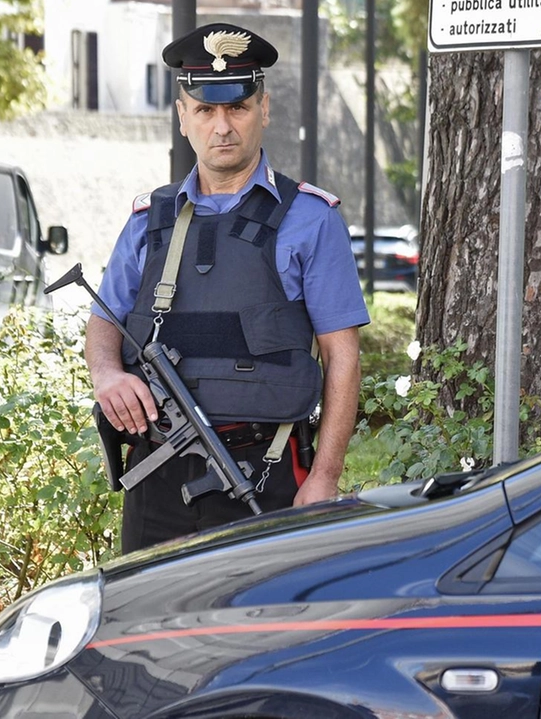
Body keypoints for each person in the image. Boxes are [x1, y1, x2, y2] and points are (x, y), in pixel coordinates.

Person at [84, 23, 369, 553]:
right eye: (205, 110)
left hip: (264, 470)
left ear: (264, 109)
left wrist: (325, 475)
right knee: (145, 631)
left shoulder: (311, 219)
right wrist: (106, 374)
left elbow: (343, 358)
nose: (222, 127)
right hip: (155, 470)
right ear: (182, 116)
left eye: (237, 108)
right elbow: (106, 319)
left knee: (259, 631)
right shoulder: (150, 219)